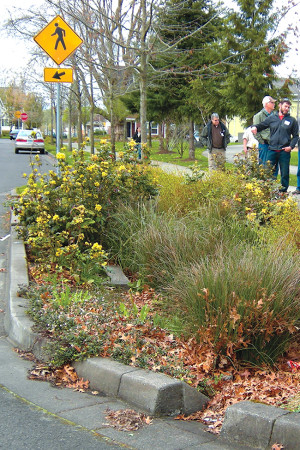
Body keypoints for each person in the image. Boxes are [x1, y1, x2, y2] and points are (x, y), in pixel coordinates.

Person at [252, 98, 299, 192]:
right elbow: (262, 125)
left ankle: (283, 191)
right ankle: (270, 190)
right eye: (285, 106)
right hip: (272, 149)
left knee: (285, 173)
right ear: (280, 105)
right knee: (269, 172)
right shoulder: (272, 118)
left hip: (284, 151)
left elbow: (295, 136)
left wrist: (291, 147)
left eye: (288, 107)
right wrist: (255, 127)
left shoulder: (292, 120)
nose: (287, 109)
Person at [253, 96, 276, 165]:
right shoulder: (258, 116)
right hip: (264, 145)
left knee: (273, 165)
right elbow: (255, 130)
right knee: (263, 165)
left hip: (274, 144)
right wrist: (262, 141)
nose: (274, 104)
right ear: (266, 104)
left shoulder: (275, 115)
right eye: (272, 102)